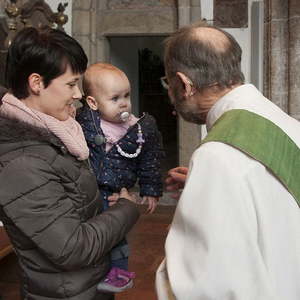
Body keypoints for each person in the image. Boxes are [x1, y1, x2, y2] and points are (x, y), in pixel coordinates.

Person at [156, 22, 300, 300]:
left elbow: (207, 287)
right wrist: (209, 189)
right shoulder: (286, 123)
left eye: (168, 83)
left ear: (184, 84)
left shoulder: (217, 157)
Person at [0, 27, 140, 300]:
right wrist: (127, 209)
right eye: (70, 84)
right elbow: (72, 248)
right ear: (37, 83)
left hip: (85, 285)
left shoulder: (58, 130)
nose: (77, 94)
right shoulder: (23, 162)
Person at [76, 62, 164, 293]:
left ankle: (120, 272)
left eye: (127, 95)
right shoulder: (84, 121)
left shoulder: (139, 129)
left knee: (115, 234)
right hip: (86, 189)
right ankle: (91, 269)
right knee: (89, 233)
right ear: (93, 103)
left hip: (115, 191)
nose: (124, 102)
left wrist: (151, 188)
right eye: (115, 98)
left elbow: (151, 159)